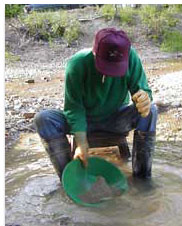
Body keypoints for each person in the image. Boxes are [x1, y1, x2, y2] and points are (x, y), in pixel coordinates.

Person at [34, 28, 157, 182]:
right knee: (43, 119)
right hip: (85, 121)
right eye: (105, 66)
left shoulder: (131, 57)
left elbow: (142, 91)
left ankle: (142, 180)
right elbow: (74, 108)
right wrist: (81, 143)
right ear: (94, 53)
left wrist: (145, 98)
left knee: (152, 110)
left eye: (116, 68)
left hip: (116, 120)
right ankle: (70, 178)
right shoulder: (77, 64)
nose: (109, 73)